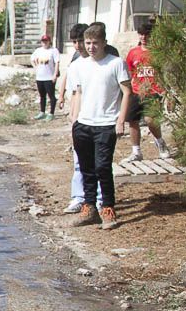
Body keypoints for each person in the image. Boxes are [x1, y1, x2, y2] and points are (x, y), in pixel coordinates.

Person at [68, 22, 131, 230]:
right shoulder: (79, 65)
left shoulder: (116, 63)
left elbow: (127, 92)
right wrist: (75, 121)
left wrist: (121, 120)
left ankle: (108, 208)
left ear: (104, 42)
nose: (91, 47)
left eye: (95, 43)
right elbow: (78, 93)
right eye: (88, 43)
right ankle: (89, 208)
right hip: (83, 124)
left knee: (102, 167)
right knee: (86, 169)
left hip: (106, 124)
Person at [56, 23, 102, 214]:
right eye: (74, 42)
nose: (78, 46)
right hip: (80, 118)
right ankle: (78, 197)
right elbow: (75, 92)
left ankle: (99, 198)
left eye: (80, 41)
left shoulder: (103, 62)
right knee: (78, 161)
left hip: (98, 119)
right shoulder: (76, 63)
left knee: (98, 162)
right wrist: (73, 117)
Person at [123, 20, 172, 161]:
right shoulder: (133, 53)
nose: (143, 37)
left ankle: (160, 142)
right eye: (141, 34)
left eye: (147, 34)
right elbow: (129, 72)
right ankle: (136, 151)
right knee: (132, 121)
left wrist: (166, 92)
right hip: (136, 92)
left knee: (151, 120)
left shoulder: (157, 53)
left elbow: (164, 73)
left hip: (153, 91)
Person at [29, 34, 60, 120]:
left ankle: (51, 113)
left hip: (49, 77)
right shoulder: (38, 50)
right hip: (40, 77)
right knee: (42, 95)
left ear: (49, 41)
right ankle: (42, 112)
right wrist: (35, 67)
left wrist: (55, 74)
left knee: (51, 95)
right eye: (43, 41)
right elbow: (32, 58)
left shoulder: (54, 50)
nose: (45, 43)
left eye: (46, 41)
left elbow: (57, 62)